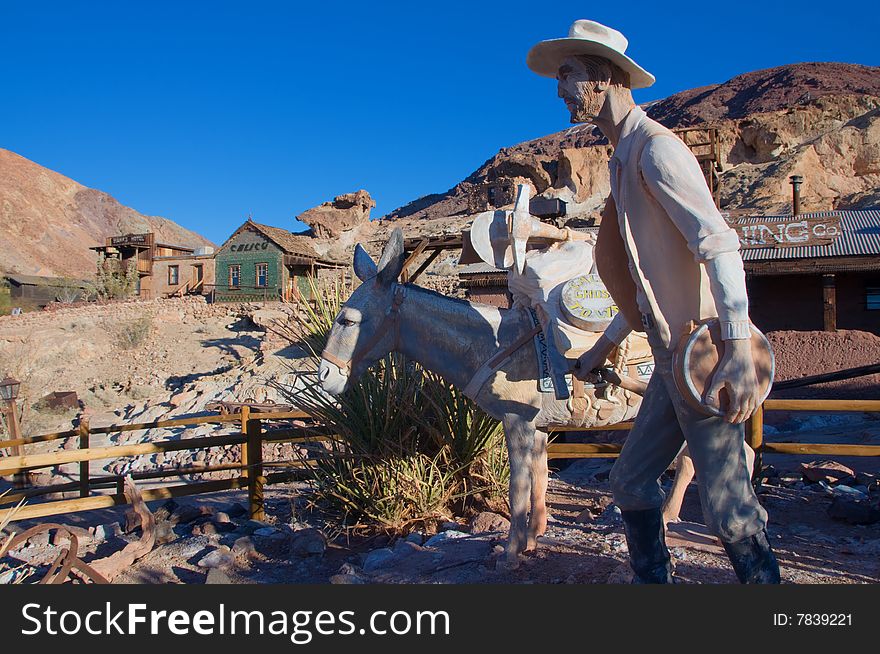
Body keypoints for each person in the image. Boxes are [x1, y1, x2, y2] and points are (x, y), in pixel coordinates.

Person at [527, 19, 780, 583]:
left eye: (567, 74)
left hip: (702, 361)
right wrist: (606, 347)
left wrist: (737, 345)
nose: (558, 88)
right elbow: (647, 281)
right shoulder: (621, 160)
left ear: (604, 78)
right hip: (670, 359)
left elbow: (718, 242)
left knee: (730, 511)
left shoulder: (658, 150)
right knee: (630, 481)